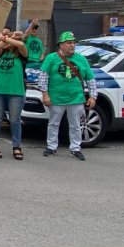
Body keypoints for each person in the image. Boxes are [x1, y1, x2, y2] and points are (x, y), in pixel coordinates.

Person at [39, 31, 96, 161]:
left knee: (76, 125)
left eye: (73, 42)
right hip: (56, 98)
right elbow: (43, 77)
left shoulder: (81, 59)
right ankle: (51, 146)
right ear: (61, 45)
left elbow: (90, 79)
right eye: (69, 42)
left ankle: (75, 148)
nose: (72, 45)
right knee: (53, 123)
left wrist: (93, 96)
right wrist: (45, 94)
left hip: (76, 98)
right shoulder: (51, 58)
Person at [0, 29, 28, 160]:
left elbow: (21, 46)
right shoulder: (1, 53)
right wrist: (5, 38)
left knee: (15, 120)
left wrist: (9, 38)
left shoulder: (22, 54)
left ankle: (17, 146)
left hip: (16, 92)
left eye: (12, 39)